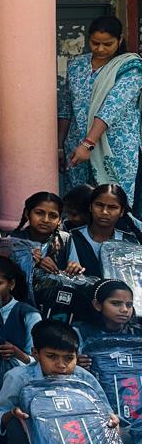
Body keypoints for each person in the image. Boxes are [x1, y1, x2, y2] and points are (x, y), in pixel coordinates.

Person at [58, 16, 142, 203]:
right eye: (95, 43)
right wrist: (59, 147)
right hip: (76, 145)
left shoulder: (130, 68)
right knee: (79, 202)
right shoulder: (76, 65)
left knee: (112, 201)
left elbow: (111, 108)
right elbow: (66, 107)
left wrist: (88, 144)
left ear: (119, 40)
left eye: (108, 44)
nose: (101, 49)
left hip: (115, 147)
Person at [67, 183, 140, 278]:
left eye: (112, 207)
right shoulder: (72, 238)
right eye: (99, 205)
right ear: (90, 207)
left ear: (121, 212)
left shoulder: (130, 242)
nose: (104, 212)